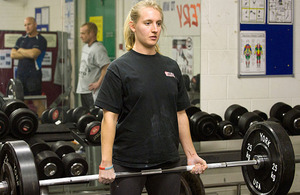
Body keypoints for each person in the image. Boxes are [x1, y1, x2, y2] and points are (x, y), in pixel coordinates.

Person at [95, 1, 207, 194]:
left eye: (158, 23)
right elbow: (109, 118)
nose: (154, 29)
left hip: (167, 161)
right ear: (133, 25)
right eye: (147, 23)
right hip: (129, 162)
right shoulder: (119, 69)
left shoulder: (171, 67)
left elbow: (180, 115)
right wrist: (106, 161)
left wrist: (191, 154)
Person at [10, 17, 47, 117]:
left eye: (29, 24)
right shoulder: (21, 39)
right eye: (25, 25)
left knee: (37, 102)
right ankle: (23, 122)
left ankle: (43, 123)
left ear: (35, 24)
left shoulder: (41, 39)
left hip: (34, 75)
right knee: (22, 102)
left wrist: (20, 50)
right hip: (21, 75)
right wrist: (27, 52)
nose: (27, 27)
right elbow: (13, 54)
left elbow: (33, 54)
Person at [76, 22, 111, 109]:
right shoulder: (85, 47)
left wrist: (98, 83)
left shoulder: (98, 48)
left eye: (83, 33)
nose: (80, 36)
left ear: (91, 33)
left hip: (92, 92)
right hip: (83, 89)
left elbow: (106, 67)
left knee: (93, 117)